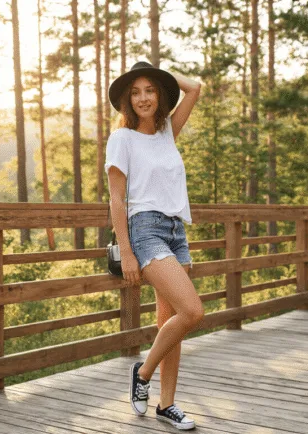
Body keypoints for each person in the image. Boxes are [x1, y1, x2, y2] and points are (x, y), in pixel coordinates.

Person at [104, 60, 202, 431]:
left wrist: (162, 71)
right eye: (135, 92)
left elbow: (193, 88)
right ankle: (142, 373)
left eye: (150, 89)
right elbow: (116, 199)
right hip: (145, 229)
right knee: (192, 312)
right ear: (127, 101)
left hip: (177, 231)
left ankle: (168, 404)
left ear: (159, 94)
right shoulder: (122, 138)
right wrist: (127, 251)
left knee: (171, 322)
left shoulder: (165, 132)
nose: (143, 97)